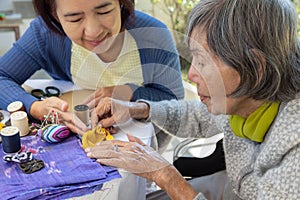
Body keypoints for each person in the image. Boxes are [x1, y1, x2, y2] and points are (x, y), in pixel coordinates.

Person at [85, 0, 300, 199]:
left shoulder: (294, 153)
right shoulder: (246, 99)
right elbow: (197, 115)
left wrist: (165, 175)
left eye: (204, 62)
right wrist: (137, 109)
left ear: (255, 67)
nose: (192, 75)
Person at [0, 0, 184, 134]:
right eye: (74, 19)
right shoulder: (45, 34)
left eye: (104, 11)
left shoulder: (154, 37)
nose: (93, 31)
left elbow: (176, 104)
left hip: (144, 150)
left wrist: (131, 92)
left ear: (121, 3)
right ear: (54, 15)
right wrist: (34, 107)